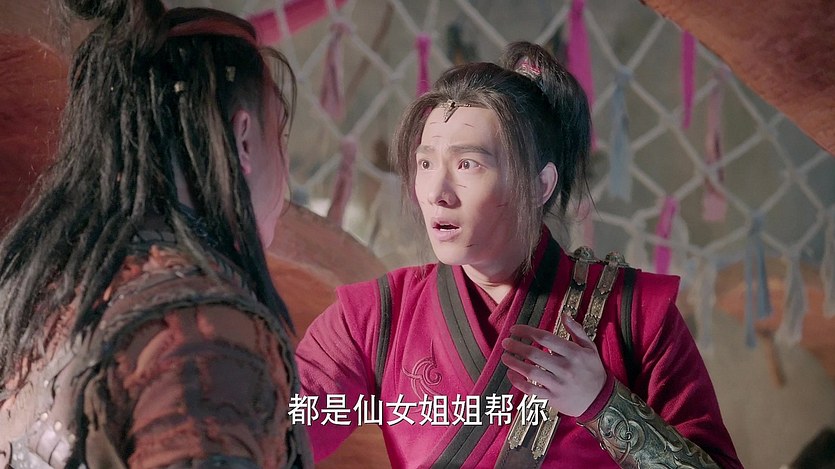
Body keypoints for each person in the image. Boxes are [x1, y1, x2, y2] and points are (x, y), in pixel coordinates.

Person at [295, 41, 742, 468]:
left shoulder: (633, 315)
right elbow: (278, 432)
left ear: (539, 184)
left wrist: (603, 403)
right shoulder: (376, 316)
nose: (435, 192)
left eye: (467, 164)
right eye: (426, 163)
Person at [0, 1, 311, 467]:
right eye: (279, 135)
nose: (284, 178)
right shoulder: (199, 335)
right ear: (244, 138)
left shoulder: (39, 301)